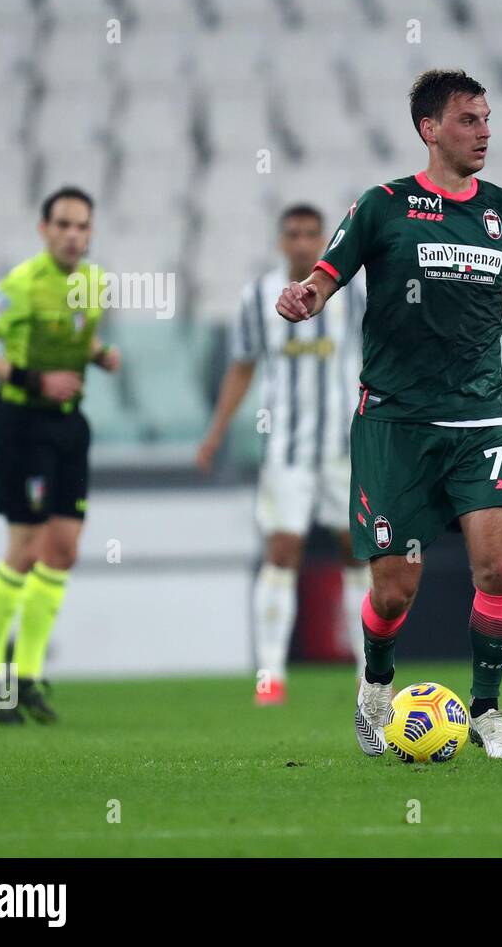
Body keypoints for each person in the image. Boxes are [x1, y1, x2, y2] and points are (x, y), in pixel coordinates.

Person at [275, 69, 502, 759]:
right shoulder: (383, 206)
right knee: (394, 589)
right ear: (429, 128)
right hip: (395, 424)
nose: (484, 132)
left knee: (498, 571)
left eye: (488, 120)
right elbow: (325, 277)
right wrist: (304, 299)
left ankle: (487, 712)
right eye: (469, 120)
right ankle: (376, 687)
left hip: (478, 420)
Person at [0, 186, 121, 725]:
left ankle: (26, 675)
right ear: (44, 230)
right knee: (24, 548)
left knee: (65, 550)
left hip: (70, 425)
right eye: (64, 225)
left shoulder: (95, 284)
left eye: (82, 226)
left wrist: (99, 356)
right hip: (21, 426)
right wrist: (35, 379)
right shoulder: (21, 285)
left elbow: (79, 338)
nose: (74, 235)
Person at [197, 204, 370, 704]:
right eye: (292, 234)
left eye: (311, 234)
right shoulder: (257, 297)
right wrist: (216, 432)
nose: (301, 242)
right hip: (287, 451)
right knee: (281, 551)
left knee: (356, 552)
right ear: (280, 240)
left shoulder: (353, 292)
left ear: (323, 239)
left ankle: (367, 670)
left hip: (344, 447)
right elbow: (242, 366)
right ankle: (270, 674)